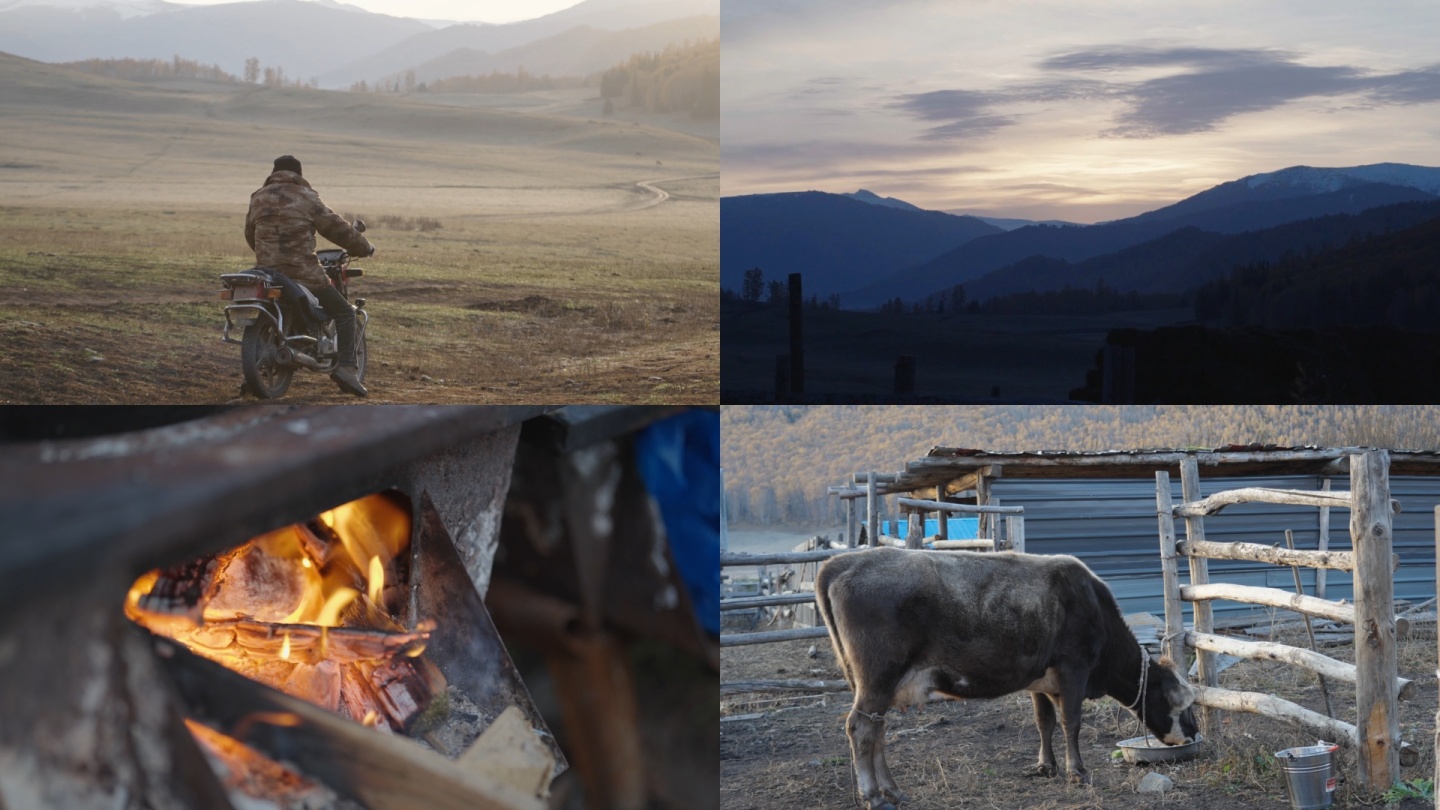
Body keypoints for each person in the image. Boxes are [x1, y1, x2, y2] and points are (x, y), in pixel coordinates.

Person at [244, 155, 375, 397]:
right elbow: (337, 228)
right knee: (345, 312)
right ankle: (346, 368)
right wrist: (364, 247)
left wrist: (270, 256)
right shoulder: (306, 197)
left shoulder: (258, 198)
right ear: (299, 174)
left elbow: (250, 234)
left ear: (274, 173)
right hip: (302, 273)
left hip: (267, 273)